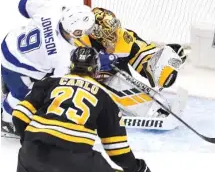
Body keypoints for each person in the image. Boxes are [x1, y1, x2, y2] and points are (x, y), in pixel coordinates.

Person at [12, 47, 150, 172]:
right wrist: (136, 168)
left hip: (31, 153)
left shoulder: (49, 82)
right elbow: (117, 148)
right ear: (96, 69)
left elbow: (19, 116)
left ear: (71, 66)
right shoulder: (104, 97)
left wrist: (31, 143)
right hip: (75, 160)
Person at [1, 0, 95, 136]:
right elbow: (56, 86)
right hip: (13, 64)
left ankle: (8, 81)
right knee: (24, 94)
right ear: (76, 32)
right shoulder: (64, 57)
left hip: (10, 41)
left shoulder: (52, 9)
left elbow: (24, 2)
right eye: (87, 29)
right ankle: (6, 121)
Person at [81, 7, 187, 118]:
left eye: (115, 31)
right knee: (113, 81)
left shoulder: (124, 37)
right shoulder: (80, 41)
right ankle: (146, 111)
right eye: (108, 34)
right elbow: (70, 73)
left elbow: (143, 57)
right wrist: (96, 65)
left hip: (118, 87)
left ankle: (150, 109)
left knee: (122, 79)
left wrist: (163, 62)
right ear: (95, 33)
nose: (114, 37)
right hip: (89, 92)